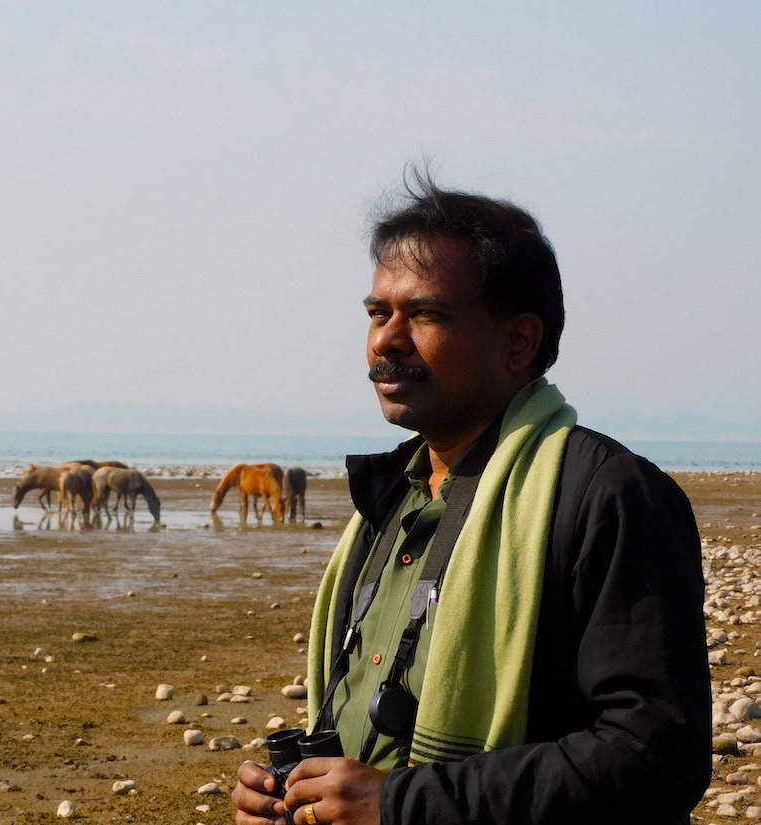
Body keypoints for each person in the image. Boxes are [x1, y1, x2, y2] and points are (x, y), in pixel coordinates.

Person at [231, 169, 711, 825]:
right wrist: (298, 794)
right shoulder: (389, 503)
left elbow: (654, 755)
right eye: (378, 313)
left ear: (519, 341)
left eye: (425, 314)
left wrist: (401, 803)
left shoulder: (604, 494)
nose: (386, 340)